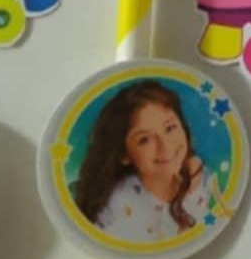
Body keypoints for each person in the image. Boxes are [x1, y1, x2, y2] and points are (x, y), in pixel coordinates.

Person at [74, 80, 220, 241]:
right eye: (145, 140)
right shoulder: (117, 207)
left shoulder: (200, 176)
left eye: (170, 128)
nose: (165, 146)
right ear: (124, 154)